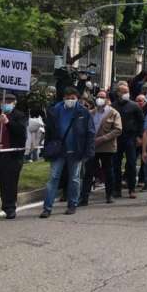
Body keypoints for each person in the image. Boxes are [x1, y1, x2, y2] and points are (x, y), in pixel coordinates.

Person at [41, 88, 96, 218]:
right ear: (63, 98)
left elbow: (90, 133)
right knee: (53, 178)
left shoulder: (83, 112)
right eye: (67, 97)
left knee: (74, 179)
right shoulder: (55, 111)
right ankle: (47, 208)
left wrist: (88, 152)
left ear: (77, 98)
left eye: (73, 97)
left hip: (76, 151)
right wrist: (46, 150)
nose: (70, 100)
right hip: (58, 151)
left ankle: (72, 204)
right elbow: (49, 132)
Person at [80, 90, 122, 207]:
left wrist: (103, 138)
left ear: (107, 99)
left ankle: (109, 194)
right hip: (92, 147)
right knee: (89, 172)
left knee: (108, 171)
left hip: (107, 147)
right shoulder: (91, 113)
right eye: (98, 97)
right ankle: (84, 197)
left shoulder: (113, 113)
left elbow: (118, 130)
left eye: (102, 97)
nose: (100, 99)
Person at [0, 93, 28, 219]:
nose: (6, 103)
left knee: (9, 183)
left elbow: (21, 133)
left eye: (9, 101)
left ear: (14, 102)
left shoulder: (19, 116)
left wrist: (8, 122)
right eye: (3, 101)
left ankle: (9, 207)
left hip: (11, 155)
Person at [112, 91, 143, 200]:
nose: (126, 94)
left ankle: (131, 189)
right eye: (123, 92)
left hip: (130, 138)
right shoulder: (113, 106)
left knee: (131, 163)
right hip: (117, 138)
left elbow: (141, 121)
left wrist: (139, 136)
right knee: (116, 164)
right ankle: (117, 189)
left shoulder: (134, 106)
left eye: (127, 92)